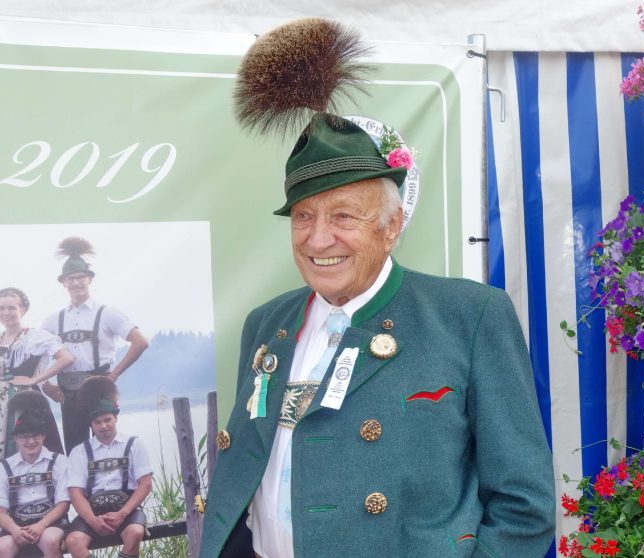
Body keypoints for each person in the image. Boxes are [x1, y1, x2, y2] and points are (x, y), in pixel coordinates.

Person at [200, 19, 555, 558]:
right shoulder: (265, 324)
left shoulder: (470, 316)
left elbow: (524, 505)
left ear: (391, 227)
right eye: (303, 216)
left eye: (343, 215)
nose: (319, 238)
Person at [41, 237, 149, 454]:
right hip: (68, 392)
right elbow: (36, 354)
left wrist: (114, 375)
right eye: (70, 278)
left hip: (100, 388)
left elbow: (140, 342)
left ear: (90, 278)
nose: (76, 283)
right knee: (75, 451)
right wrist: (46, 384)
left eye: (80, 277)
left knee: (107, 445)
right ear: (63, 283)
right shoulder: (52, 321)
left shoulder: (107, 314)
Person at [65, 376, 152, 558]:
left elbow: (145, 484)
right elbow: (75, 493)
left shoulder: (134, 444)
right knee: (73, 541)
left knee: (135, 532)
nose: (103, 426)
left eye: (107, 420)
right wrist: (92, 520)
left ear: (115, 418)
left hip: (127, 511)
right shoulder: (79, 452)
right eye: (98, 422)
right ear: (91, 424)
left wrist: (122, 514)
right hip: (92, 513)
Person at [0, 287, 74, 457]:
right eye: (1, 308)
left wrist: (35, 380)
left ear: (23, 310)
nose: (6, 312)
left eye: (11, 308)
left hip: (27, 403)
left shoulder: (35, 337)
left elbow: (66, 358)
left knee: (33, 451)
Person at [0, 394, 71, 558]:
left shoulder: (59, 461)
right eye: (24, 436)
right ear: (15, 439)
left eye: (35, 435)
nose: (30, 441)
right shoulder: (4, 467)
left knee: (50, 540)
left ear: (43, 436)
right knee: (3, 547)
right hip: (16, 525)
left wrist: (41, 525)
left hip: (51, 523)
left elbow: (63, 503)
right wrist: (14, 530)